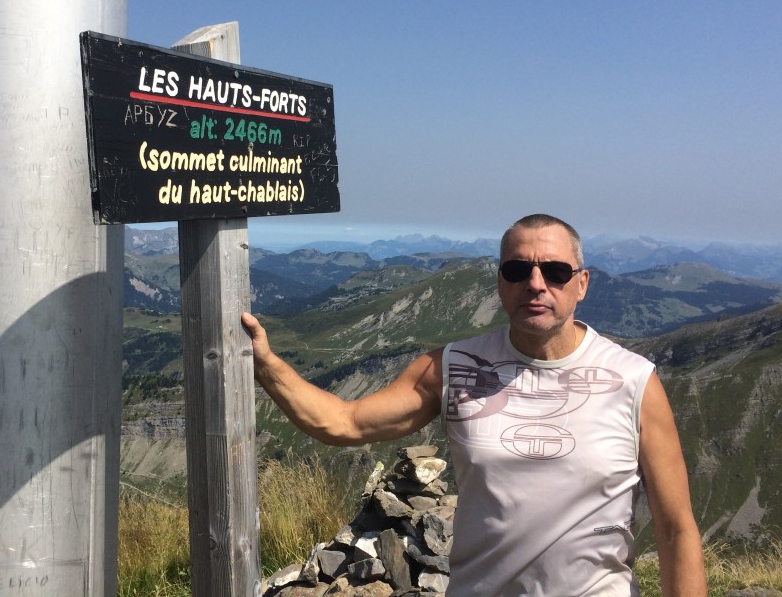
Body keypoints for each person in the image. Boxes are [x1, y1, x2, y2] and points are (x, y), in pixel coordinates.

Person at [242, 214, 707, 596]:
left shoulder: (634, 380)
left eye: (556, 271)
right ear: (500, 282)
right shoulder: (452, 366)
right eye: (517, 270)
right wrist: (266, 364)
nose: (536, 283)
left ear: (582, 284)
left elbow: (676, 530)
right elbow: (343, 423)